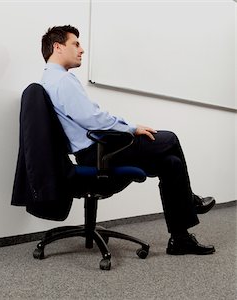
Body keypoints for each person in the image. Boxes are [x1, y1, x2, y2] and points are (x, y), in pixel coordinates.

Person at [40, 25, 215, 255]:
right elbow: (93, 120)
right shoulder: (63, 81)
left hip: (94, 152)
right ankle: (189, 201)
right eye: (76, 44)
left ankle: (180, 239)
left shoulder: (48, 81)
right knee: (170, 139)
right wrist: (132, 128)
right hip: (97, 153)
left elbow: (88, 119)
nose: (82, 50)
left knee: (171, 163)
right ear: (57, 46)